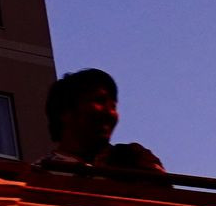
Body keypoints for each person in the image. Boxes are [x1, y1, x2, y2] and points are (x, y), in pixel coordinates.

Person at [31, 68, 168, 181]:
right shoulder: (38, 174)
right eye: (99, 101)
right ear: (65, 112)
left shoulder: (132, 159)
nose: (110, 113)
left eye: (113, 106)